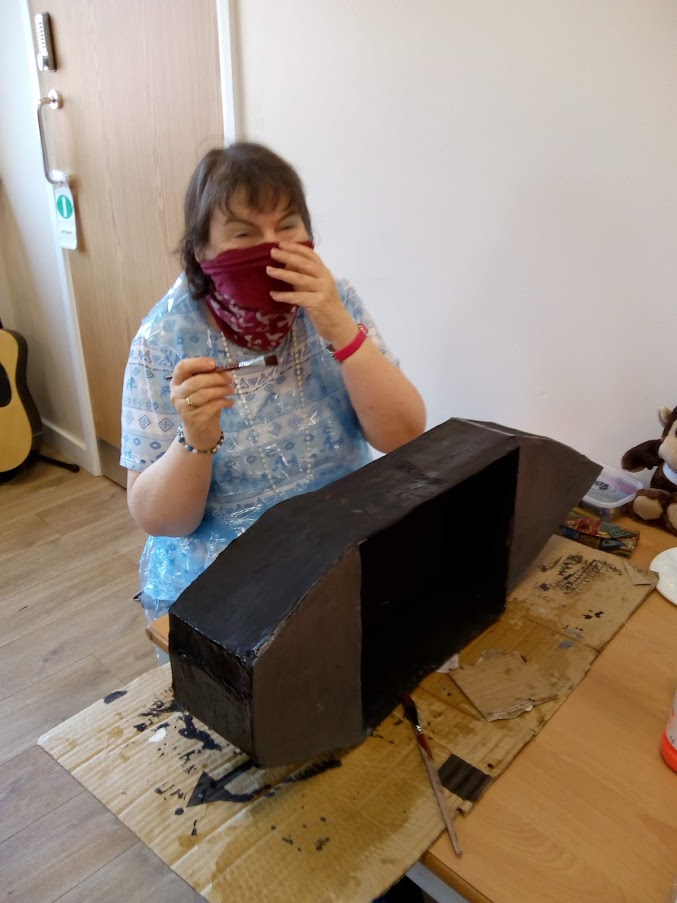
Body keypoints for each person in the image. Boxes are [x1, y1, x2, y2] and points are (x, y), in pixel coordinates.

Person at [121, 141, 426, 626]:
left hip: (342, 548)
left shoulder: (334, 300)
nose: (271, 246)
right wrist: (194, 439)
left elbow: (403, 434)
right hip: (228, 583)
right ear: (201, 252)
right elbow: (160, 520)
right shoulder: (163, 340)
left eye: (287, 226)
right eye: (244, 233)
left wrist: (340, 329)